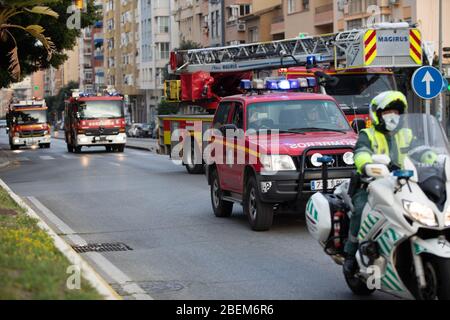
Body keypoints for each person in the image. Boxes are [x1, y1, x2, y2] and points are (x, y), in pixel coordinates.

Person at [343, 91, 436, 276]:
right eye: (387, 112)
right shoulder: (367, 134)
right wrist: (366, 165)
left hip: (403, 183)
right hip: (370, 184)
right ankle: (351, 254)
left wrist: (432, 157)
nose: (392, 116)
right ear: (377, 114)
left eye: (396, 112)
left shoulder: (406, 134)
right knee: (360, 211)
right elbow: (360, 152)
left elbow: (420, 149)